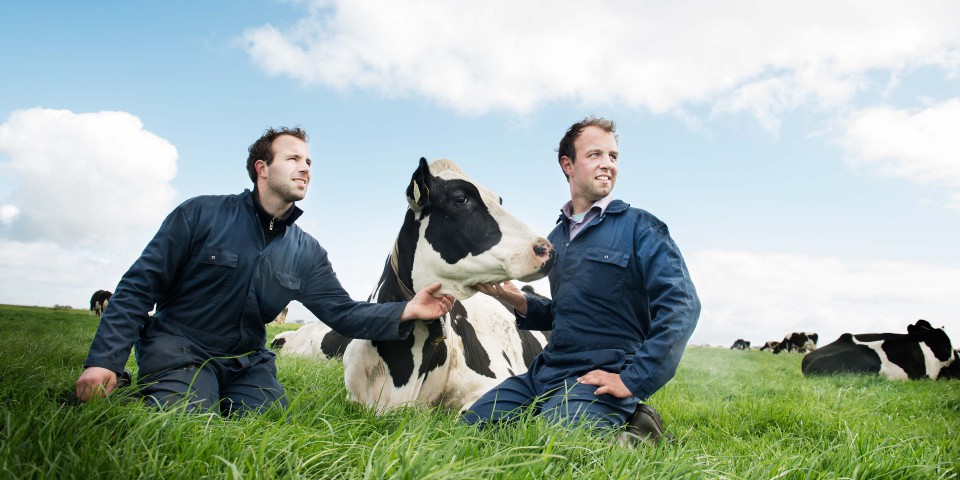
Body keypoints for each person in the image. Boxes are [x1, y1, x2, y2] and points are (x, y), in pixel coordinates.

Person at [75, 127, 454, 416]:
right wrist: (103, 362)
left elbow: (344, 314)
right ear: (262, 168)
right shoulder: (200, 214)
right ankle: (130, 386)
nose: (305, 167)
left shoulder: (306, 252)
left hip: (246, 362)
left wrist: (409, 309)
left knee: (270, 421)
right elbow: (139, 287)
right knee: (186, 419)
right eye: (293, 159)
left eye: (308, 162)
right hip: (180, 349)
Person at [463, 117, 700, 442]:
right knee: (470, 430)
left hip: (604, 369)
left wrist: (633, 381)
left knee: (556, 446)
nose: (608, 165)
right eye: (595, 155)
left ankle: (639, 436)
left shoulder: (641, 228)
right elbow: (564, 313)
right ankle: (589, 416)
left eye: (613, 156)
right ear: (568, 164)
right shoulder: (555, 239)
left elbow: (682, 306)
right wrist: (516, 298)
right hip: (547, 369)